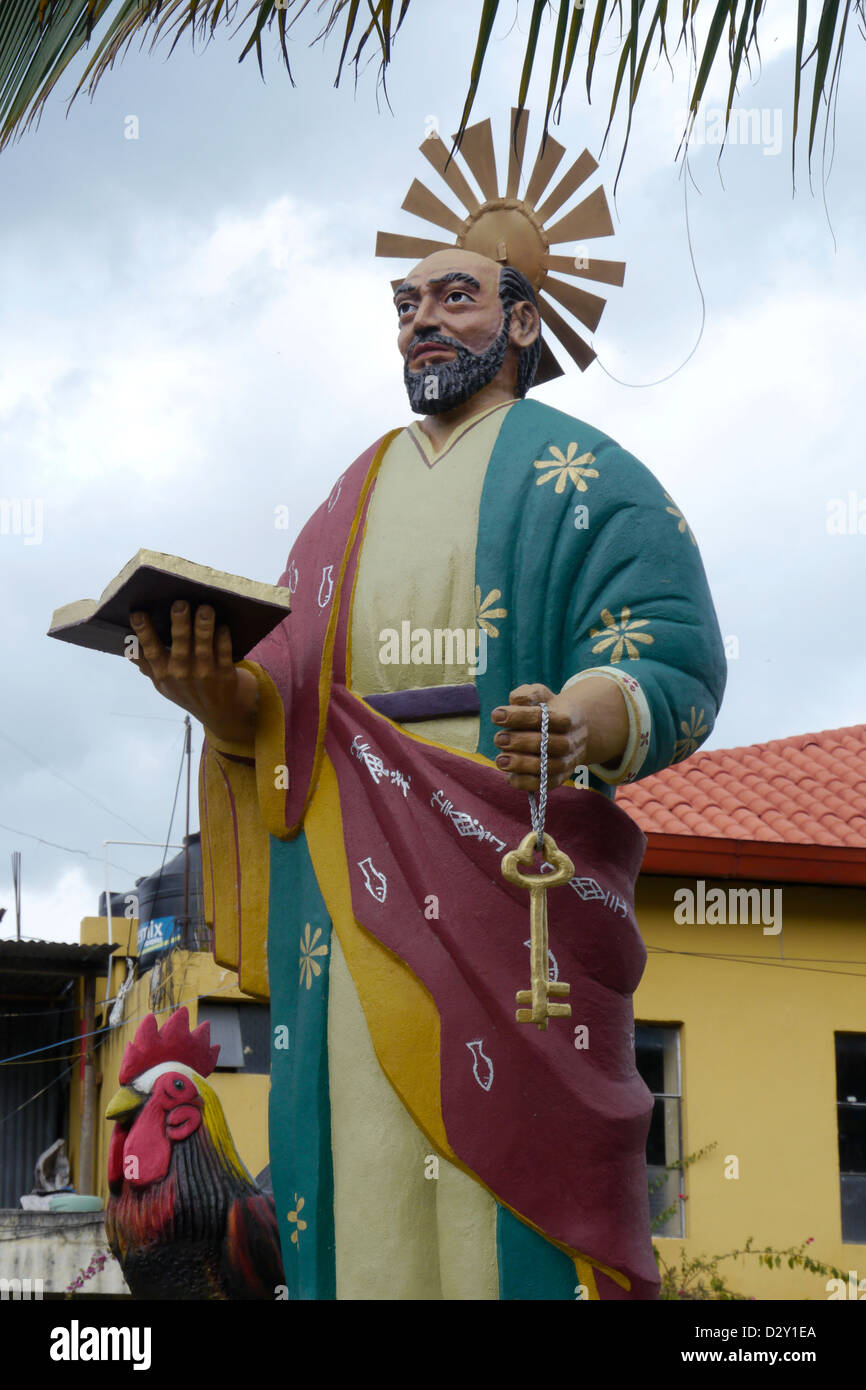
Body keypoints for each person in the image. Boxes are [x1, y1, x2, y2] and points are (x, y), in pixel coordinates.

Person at [130, 247, 726, 1300]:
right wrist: (209, 692)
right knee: (355, 1150)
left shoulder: (577, 470)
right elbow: (279, 695)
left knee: (507, 1157)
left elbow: (668, 650)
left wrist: (576, 719)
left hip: (508, 855)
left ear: (525, 323)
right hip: (347, 870)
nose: (421, 323)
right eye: (405, 304)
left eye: (455, 298)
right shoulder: (347, 496)